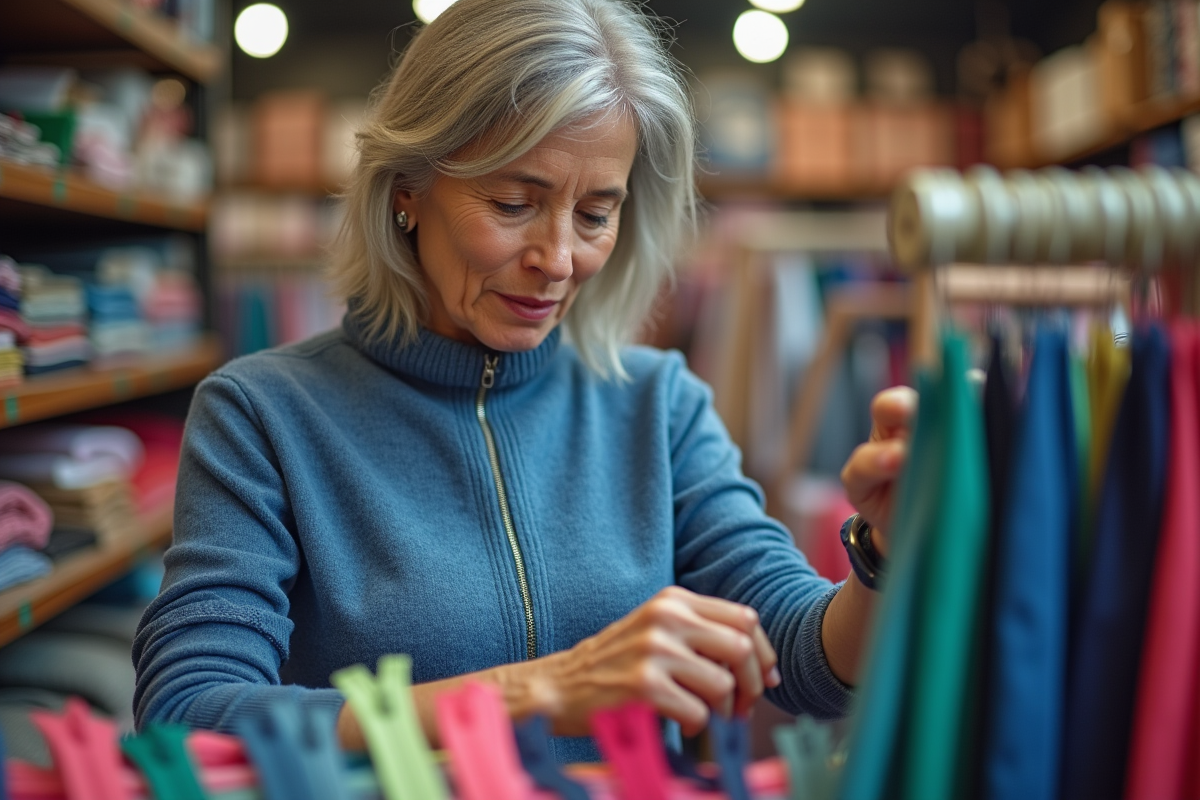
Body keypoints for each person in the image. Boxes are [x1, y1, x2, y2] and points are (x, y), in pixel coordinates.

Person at [132, 0, 914, 763]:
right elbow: (189, 712)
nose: (559, 258)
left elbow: (806, 661)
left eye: (596, 214)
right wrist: (543, 689)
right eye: (513, 203)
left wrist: (884, 548)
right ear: (407, 187)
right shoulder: (263, 415)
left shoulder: (657, 404)